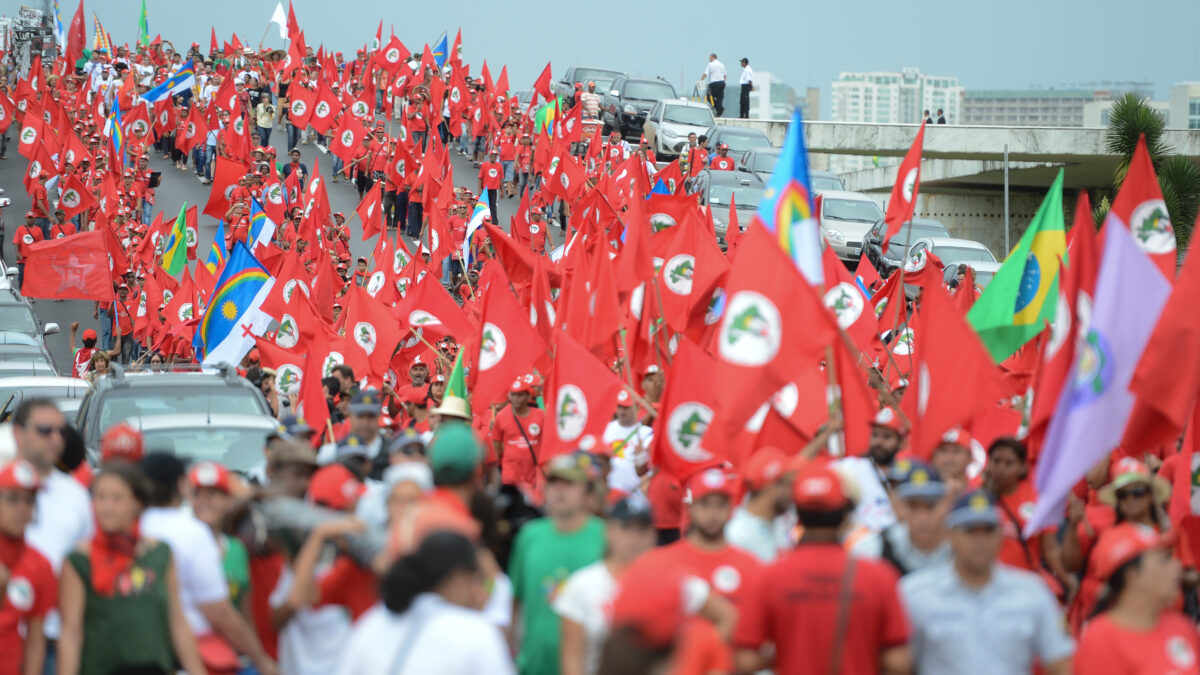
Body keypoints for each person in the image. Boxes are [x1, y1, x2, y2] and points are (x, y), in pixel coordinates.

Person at [734, 462, 912, 675]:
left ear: (798, 512)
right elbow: (899, 663)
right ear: (845, 512)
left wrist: (788, 649)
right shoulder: (880, 577)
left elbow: (744, 660)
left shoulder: (769, 577)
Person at [900, 490, 1074, 674]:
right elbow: (899, 665)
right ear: (950, 535)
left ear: (1000, 535)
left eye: (988, 531)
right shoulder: (915, 594)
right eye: (970, 531)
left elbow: (1060, 664)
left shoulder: (1032, 592)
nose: (980, 541)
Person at [57, 463, 207, 675]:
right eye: (100, 497)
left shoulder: (160, 554)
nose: (107, 507)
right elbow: (71, 633)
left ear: (138, 503)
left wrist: (198, 671)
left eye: (118, 498)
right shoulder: (79, 560)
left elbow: (176, 620)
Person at [140, 453, 280, 675]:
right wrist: (261, 660)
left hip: (227, 656)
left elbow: (245, 613)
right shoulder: (189, 534)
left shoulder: (237, 549)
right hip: (195, 654)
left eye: (215, 494)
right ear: (186, 491)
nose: (206, 501)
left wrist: (253, 657)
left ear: (229, 501)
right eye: (199, 494)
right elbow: (220, 611)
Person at [335, 531, 514, 674]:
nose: (479, 591)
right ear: (457, 578)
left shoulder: (373, 622)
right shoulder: (475, 632)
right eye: (478, 579)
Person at [11, 398, 92, 670]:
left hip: (55, 639)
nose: (56, 439)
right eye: (45, 430)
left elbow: (88, 564)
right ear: (18, 434)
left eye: (61, 431)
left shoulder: (77, 496)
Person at [510, 453, 607, 675]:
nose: (560, 490)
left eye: (569, 483)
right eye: (554, 483)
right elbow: (516, 601)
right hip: (534, 665)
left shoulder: (606, 537)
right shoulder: (529, 536)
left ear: (586, 492)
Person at [1073, 523, 1198, 673]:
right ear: (1132, 575)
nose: (1177, 566)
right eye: (1163, 560)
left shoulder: (1182, 627)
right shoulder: (1101, 641)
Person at [555, 495, 657, 675]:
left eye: (642, 529)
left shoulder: (667, 582)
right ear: (609, 531)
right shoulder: (582, 584)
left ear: (652, 535)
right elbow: (571, 660)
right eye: (626, 527)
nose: (634, 537)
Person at [644, 467, 761, 609]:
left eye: (720, 505)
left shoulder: (750, 567)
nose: (713, 513)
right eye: (705, 504)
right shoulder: (663, 563)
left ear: (731, 508)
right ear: (691, 507)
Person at [0, 459, 56, 675]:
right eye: (12, 499)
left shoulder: (40, 565)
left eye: (29, 500)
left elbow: (35, 641)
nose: (22, 509)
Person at [854, 460, 953, 576]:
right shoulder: (872, 550)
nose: (922, 516)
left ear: (947, 504)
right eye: (913, 506)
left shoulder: (962, 550)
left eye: (931, 506)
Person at [836, 407, 906, 534]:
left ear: (900, 442)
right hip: (862, 548)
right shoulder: (851, 467)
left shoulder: (907, 474)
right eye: (875, 435)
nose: (879, 441)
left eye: (887, 436)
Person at [725, 448, 794, 563]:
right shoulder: (737, 535)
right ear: (772, 487)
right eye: (789, 484)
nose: (792, 491)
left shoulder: (777, 524)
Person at [492, 378, 545, 499]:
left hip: (534, 477)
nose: (516, 399)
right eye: (513, 395)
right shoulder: (501, 417)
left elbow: (546, 443)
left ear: (528, 396)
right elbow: (496, 447)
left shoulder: (541, 416)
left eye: (520, 395)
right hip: (510, 477)